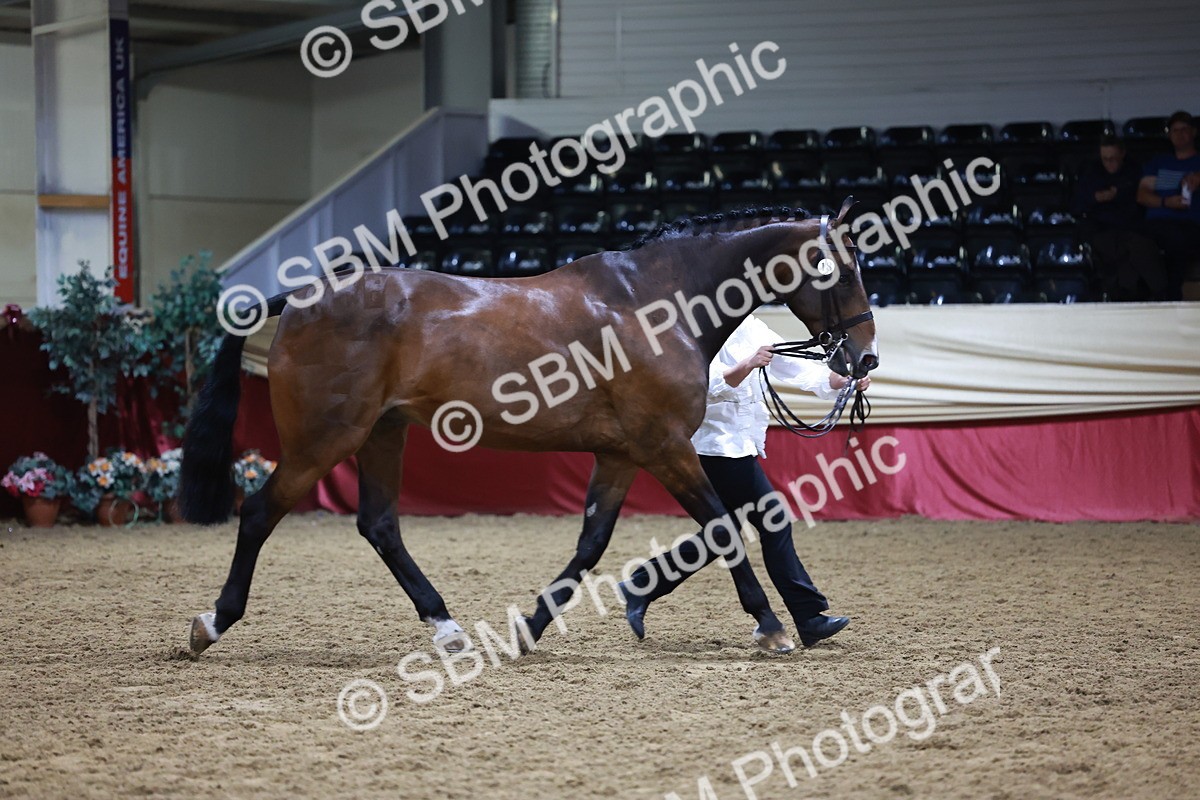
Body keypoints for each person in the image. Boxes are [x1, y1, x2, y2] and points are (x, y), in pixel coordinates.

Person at [618, 314, 870, 652]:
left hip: (739, 444)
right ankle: (809, 617)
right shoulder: (693, 328)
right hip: (715, 447)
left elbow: (793, 365)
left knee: (721, 535)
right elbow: (699, 386)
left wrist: (840, 381)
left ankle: (641, 585)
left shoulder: (752, 327)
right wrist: (747, 365)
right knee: (774, 522)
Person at [1070, 136, 1165, 300]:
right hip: (1101, 230)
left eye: (1113, 159)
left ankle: (1154, 294)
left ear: (1122, 154)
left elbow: (1140, 199)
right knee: (1115, 251)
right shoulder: (1091, 172)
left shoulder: (1135, 171)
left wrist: (1118, 193)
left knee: (1140, 249)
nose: (1109, 163)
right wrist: (1095, 198)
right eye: (1105, 159)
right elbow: (1076, 204)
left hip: (1132, 228)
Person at [1137, 111, 1200, 300]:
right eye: (1175, 130)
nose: (1180, 134)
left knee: (1177, 239)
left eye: (1184, 129)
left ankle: (1171, 295)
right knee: (1135, 242)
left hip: (1189, 224)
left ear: (1194, 132)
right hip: (1157, 222)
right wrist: (1166, 202)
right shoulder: (1159, 162)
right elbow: (1142, 195)